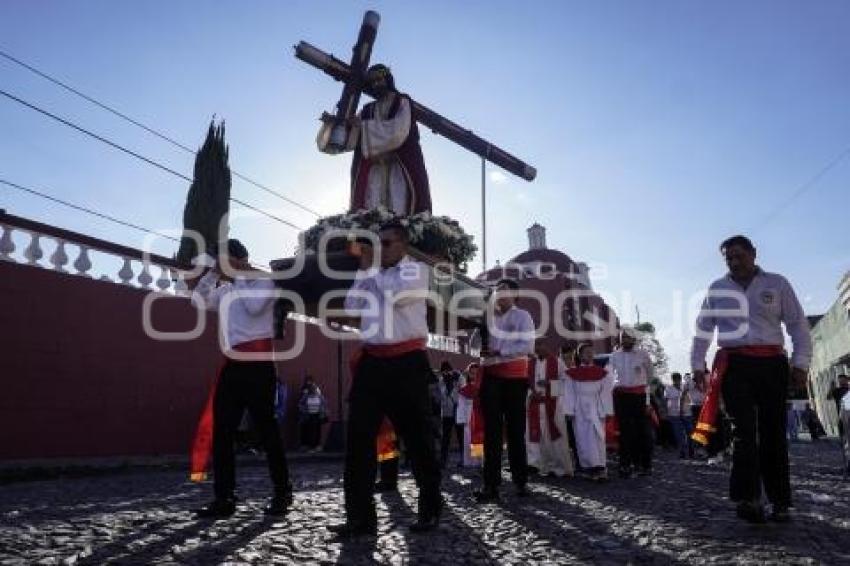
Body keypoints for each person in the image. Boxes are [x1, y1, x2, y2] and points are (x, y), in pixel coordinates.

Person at [691, 235, 811, 523]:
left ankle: (780, 501)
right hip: (734, 366)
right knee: (743, 431)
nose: (734, 262)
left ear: (753, 254)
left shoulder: (777, 284)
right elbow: (703, 330)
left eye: (739, 256)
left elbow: (797, 325)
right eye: (729, 258)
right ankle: (748, 498)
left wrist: (800, 364)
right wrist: (697, 365)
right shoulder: (717, 289)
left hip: (772, 365)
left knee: (773, 432)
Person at [333, 221, 442, 537]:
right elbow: (352, 306)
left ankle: (430, 508)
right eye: (377, 242)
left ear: (404, 245)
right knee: (358, 440)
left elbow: (397, 295)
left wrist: (371, 268)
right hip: (372, 363)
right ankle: (360, 518)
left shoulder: (416, 271)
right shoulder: (371, 274)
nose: (380, 248)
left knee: (418, 439)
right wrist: (364, 271)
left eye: (386, 242)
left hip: (407, 362)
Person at [189, 239, 293, 518]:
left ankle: (282, 492)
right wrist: (212, 274)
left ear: (239, 259)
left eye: (223, 259)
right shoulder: (225, 291)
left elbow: (253, 308)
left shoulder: (264, 283)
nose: (219, 264)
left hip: (259, 366)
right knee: (223, 432)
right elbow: (197, 300)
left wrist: (239, 275)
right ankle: (224, 498)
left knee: (267, 432)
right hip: (232, 367)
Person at [318, 64, 431, 216]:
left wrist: (364, 127)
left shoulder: (401, 101)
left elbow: (399, 130)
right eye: (372, 82)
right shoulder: (367, 110)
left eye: (379, 79)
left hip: (398, 166)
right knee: (371, 209)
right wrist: (333, 125)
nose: (376, 84)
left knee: (400, 207)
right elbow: (351, 140)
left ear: (387, 79)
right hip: (374, 169)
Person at [473, 279, 535, 503]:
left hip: (515, 378)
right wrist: (480, 340)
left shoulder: (523, 316)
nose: (500, 294)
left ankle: (520, 480)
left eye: (505, 291)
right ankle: (491, 484)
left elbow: (527, 346)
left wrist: (499, 351)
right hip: (490, 376)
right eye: (497, 291)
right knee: (492, 431)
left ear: (515, 295)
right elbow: (473, 345)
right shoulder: (487, 318)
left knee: (516, 429)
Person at [564, 343, 615, 481]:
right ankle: (588, 468)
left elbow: (605, 393)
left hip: (596, 407)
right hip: (579, 409)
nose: (589, 354)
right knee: (582, 439)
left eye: (591, 352)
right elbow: (569, 392)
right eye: (586, 352)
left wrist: (607, 410)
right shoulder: (571, 374)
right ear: (580, 355)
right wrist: (569, 410)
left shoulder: (602, 373)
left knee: (598, 438)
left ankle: (600, 467)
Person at [609, 328, 654, 477]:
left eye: (628, 337)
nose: (625, 340)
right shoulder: (614, 356)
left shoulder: (643, 354)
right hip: (621, 397)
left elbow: (649, 379)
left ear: (634, 339)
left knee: (643, 432)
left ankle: (645, 465)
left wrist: (648, 402)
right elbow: (608, 377)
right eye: (623, 337)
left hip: (639, 397)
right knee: (625, 433)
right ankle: (625, 465)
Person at [526, 340, 574, 477]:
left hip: (553, 405)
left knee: (554, 436)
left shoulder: (558, 362)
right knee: (535, 436)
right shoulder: (530, 363)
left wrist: (549, 384)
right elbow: (525, 384)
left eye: (540, 344)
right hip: (535, 404)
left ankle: (558, 467)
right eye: (535, 345)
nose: (538, 348)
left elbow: (566, 383)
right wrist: (530, 393)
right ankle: (535, 464)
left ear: (547, 346)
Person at [457, 363, 484, 468]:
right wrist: (462, 419)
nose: (474, 375)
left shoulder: (484, 388)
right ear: (468, 374)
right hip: (468, 418)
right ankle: (472, 462)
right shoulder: (464, 389)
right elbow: (461, 405)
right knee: (469, 439)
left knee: (479, 439)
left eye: (476, 373)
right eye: (472, 373)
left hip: (481, 416)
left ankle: (479, 461)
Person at [438, 362, 463, 468]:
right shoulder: (441, 380)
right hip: (447, 412)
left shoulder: (459, 377)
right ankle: (443, 461)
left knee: (461, 436)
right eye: (444, 372)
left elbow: (463, 391)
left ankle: (464, 459)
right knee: (445, 438)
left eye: (447, 371)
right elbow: (441, 395)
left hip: (458, 411)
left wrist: (454, 383)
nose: (445, 373)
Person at [664, 373, 692, 458]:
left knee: (689, 432)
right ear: (672, 380)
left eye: (678, 379)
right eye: (674, 379)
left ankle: (690, 450)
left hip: (686, 413)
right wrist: (666, 412)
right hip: (674, 414)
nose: (676, 380)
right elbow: (666, 400)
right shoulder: (668, 388)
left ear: (680, 379)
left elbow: (690, 398)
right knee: (678, 434)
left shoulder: (685, 387)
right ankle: (682, 451)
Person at [298, 380, 327, 452]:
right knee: (310, 431)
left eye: (314, 389)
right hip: (309, 415)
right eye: (312, 389)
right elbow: (300, 404)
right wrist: (304, 411)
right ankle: (310, 446)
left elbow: (323, 404)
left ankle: (317, 446)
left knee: (317, 431)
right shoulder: (306, 396)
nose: (313, 390)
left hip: (317, 415)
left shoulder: (319, 396)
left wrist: (322, 412)